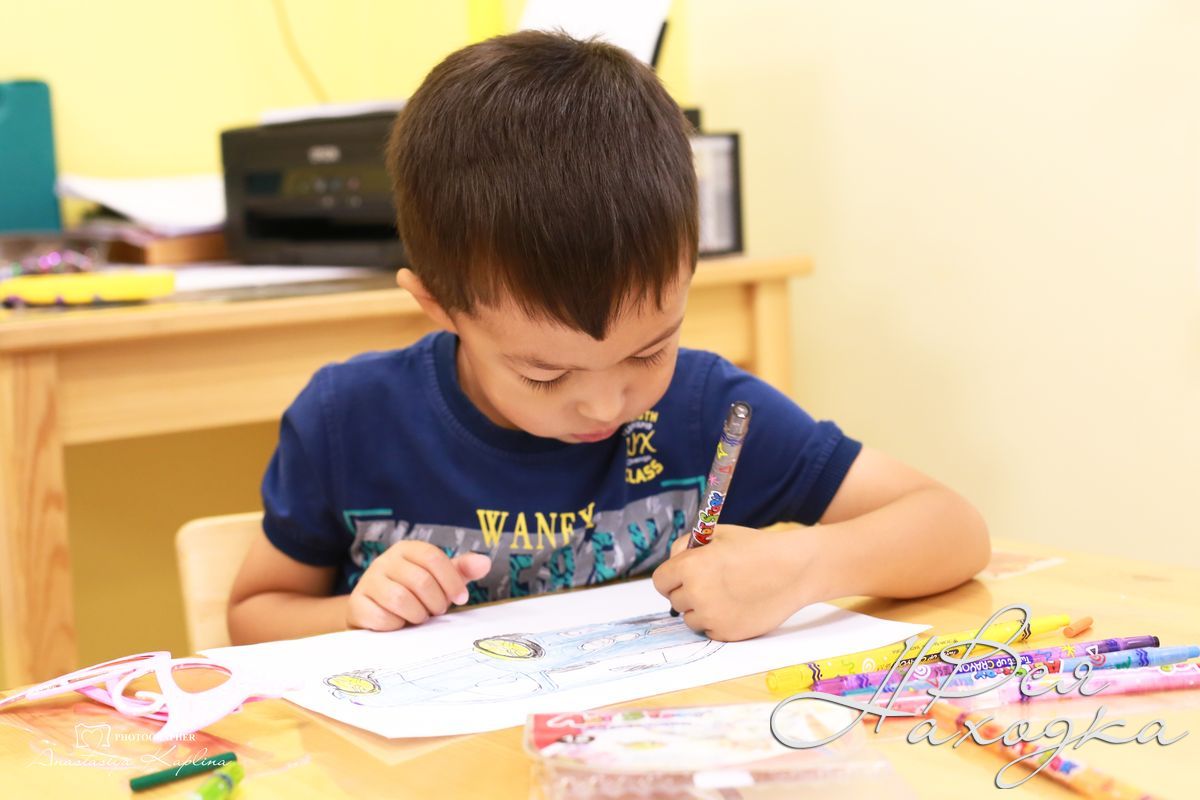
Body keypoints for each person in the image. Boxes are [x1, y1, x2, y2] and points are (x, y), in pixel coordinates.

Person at [227, 30, 989, 646]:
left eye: (648, 350)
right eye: (543, 374)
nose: (605, 403)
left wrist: (809, 563)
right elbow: (253, 615)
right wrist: (355, 611)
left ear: (688, 270)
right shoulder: (351, 419)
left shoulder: (707, 411)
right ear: (438, 306)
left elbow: (953, 527)